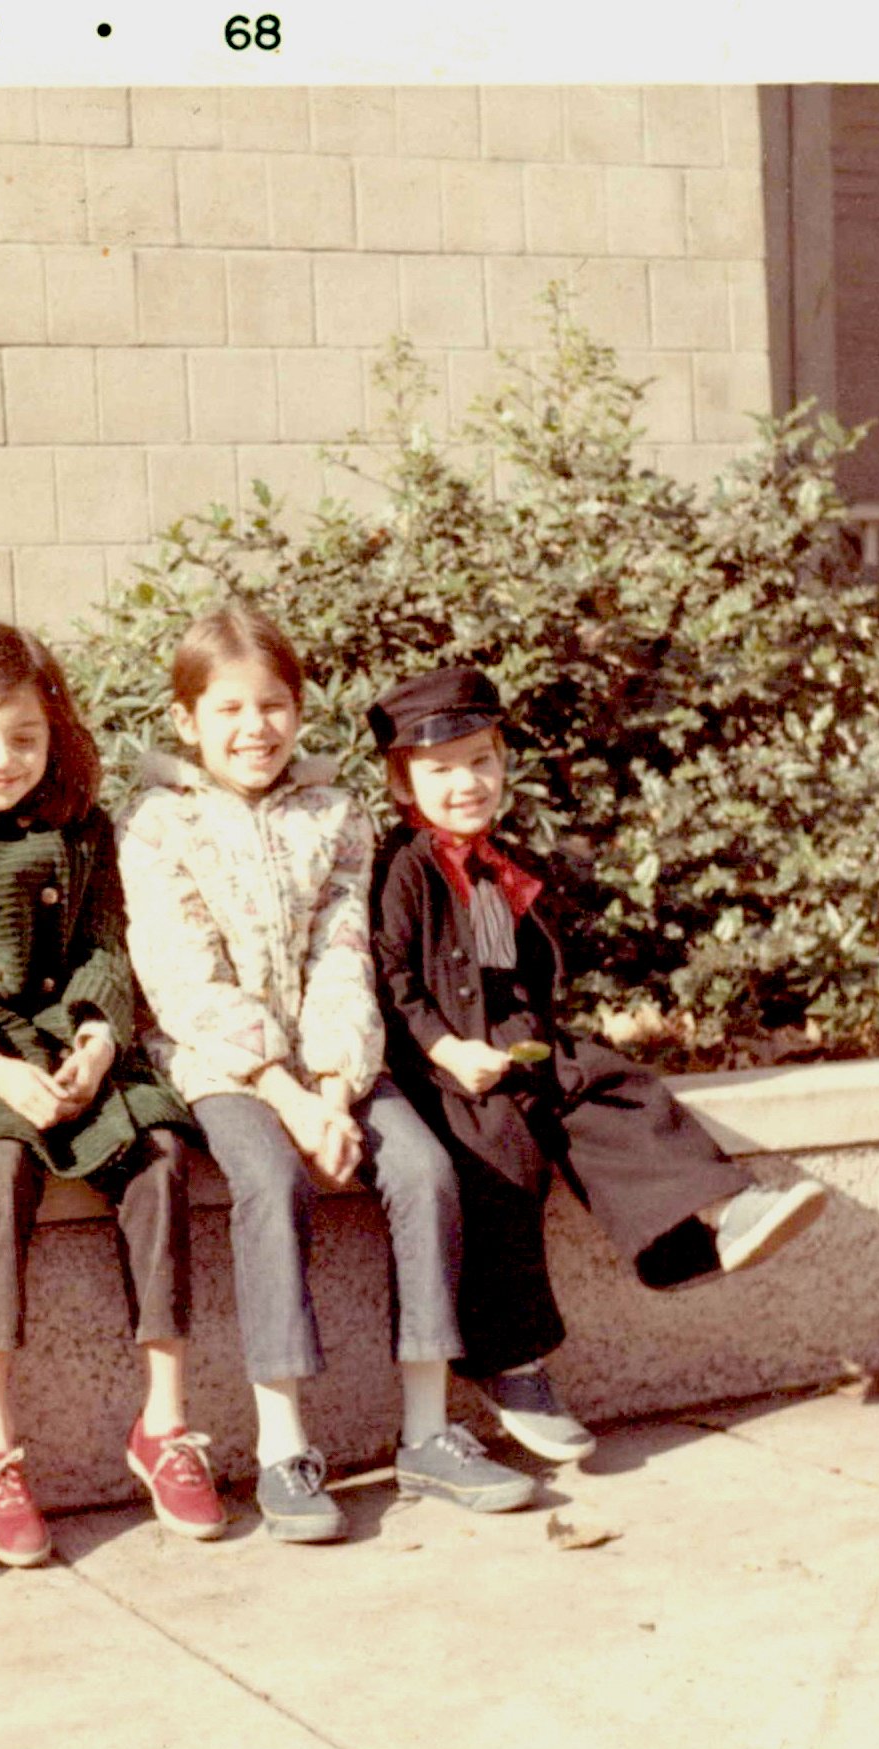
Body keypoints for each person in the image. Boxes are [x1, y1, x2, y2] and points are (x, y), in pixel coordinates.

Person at [117, 606, 534, 1540]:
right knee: (267, 1180)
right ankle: (283, 1445)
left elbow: (344, 954)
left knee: (424, 1171)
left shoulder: (334, 816)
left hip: (331, 1062)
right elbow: (183, 978)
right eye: (228, 709)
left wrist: (339, 1090)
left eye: (275, 706)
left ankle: (427, 1433)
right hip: (226, 1066)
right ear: (187, 720)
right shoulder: (157, 826)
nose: (254, 728)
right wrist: (288, 1100)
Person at [368, 663, 829, 1447]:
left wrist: (537, 1039)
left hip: (512, 1037)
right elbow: (391, 980)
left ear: (504, 761)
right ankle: (508, 1361)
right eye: (440, 770)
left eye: (482, 760)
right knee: (498, 1150)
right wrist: (449, 1049)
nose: (466, 783)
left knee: (611, 1085)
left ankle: (710, 1223)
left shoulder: (496, 860)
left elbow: (519, 969)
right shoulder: (405, 867)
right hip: (440, 1058)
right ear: (402, 781)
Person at [0, 621, 220, 1568]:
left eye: (23, 737)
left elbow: (106, 947)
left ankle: (165, 1419)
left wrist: (102, 1040)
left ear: (53, 736)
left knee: (157, 1157)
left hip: (70, 1044)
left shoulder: (82, 825)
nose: (1, 758)